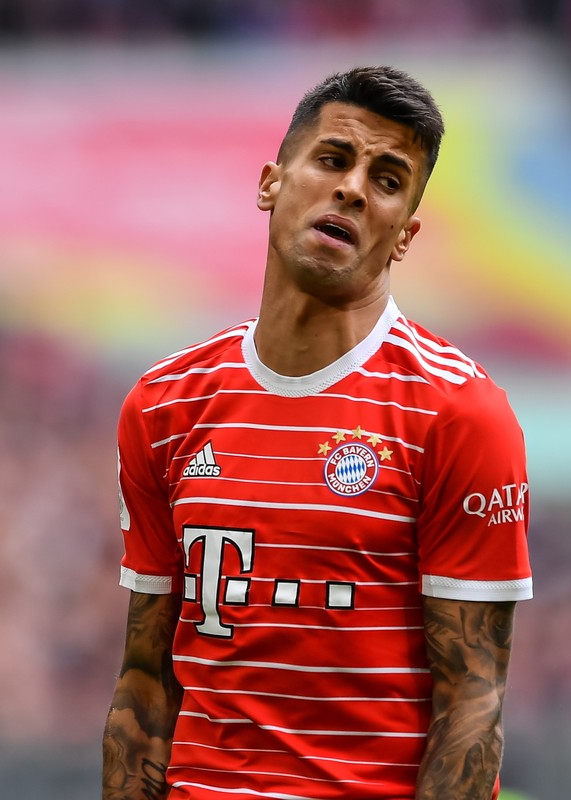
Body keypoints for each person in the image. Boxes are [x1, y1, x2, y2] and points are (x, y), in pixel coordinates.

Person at [102, 65, 533, 800]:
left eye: (388, 180)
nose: (354, 189)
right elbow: (145, 679)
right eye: (333, 159)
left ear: (405, 236)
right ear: (271, 183)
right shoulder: (163, 406)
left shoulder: (459, 414)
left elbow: (472, 705)